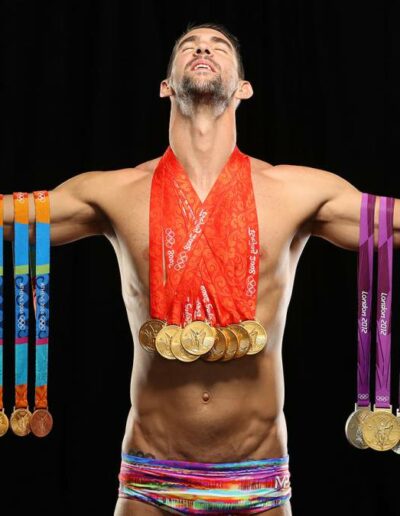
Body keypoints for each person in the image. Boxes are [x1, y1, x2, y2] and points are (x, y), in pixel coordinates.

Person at [2, 20, 398, 516]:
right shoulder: (114, 192)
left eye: (218, 46)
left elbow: (390, 224)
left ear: (244, 88)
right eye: (190, 45)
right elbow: (11, 221)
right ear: (166, 86)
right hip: (149, 476)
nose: (203, 48)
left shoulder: (295, 191)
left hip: (258, 478)